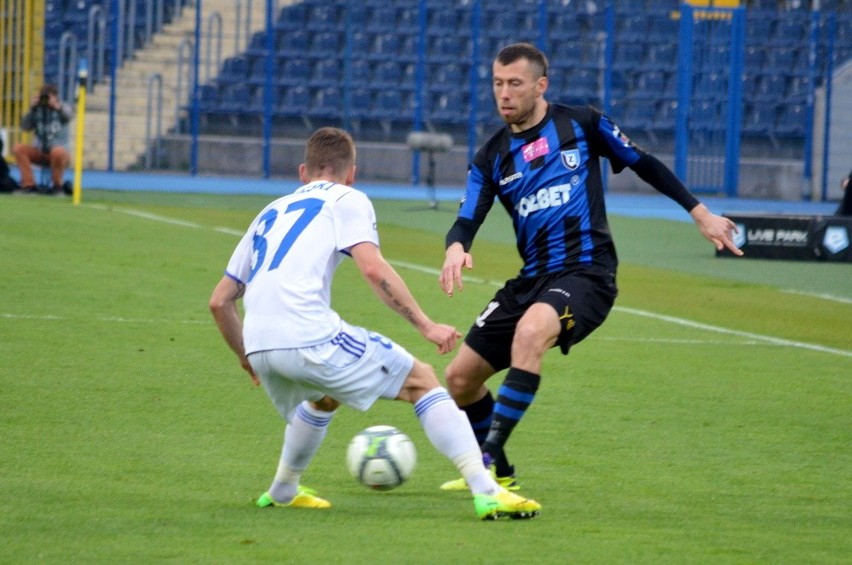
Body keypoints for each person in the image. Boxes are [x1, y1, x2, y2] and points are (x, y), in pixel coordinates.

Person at [437, 43, 743, 492]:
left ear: (541, 85)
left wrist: (699, 212)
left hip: (587, 273)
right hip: (532, 278)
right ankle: (501, 470)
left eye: (515, 84)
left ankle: (482, 464)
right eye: (497, 84)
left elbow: (645, 163)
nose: (504, 94)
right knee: (460, 379)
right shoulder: (491, 157)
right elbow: (466, 219)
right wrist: (455, 248)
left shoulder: (581, 124)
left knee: (530, 333)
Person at [209, 127, 540, 520]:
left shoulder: (268, 212)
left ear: (303, 172)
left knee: (323, 396)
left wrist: (247, 357)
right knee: (422, 380)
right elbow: (372, 268)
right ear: (352, 173)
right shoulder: (349, 199)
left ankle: (282, 490)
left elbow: (219, 301)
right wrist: (426, 326)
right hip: (306, 333)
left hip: (260, 343)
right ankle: (487, 491)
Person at [12, 84, 73, 195]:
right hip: (40, 151)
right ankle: (29, 185)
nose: (46, 100)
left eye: (48, 97)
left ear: (56, 97)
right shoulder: (37, 110)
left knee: (57, 152)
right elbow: (24, 126)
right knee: (18, 148)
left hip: (59, 153)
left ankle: (57, 186)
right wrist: (32, 109)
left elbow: (69, 116)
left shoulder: (63, 107)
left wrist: (57, 107)